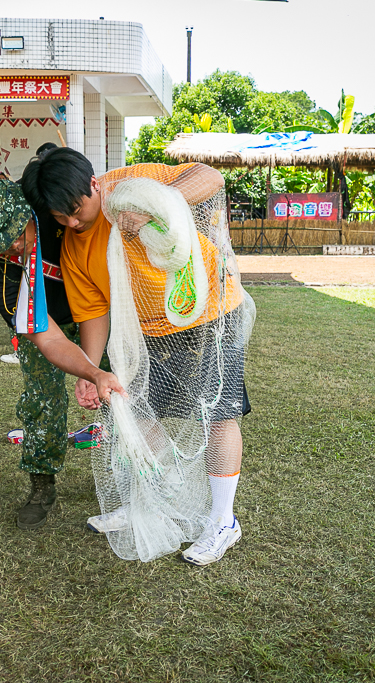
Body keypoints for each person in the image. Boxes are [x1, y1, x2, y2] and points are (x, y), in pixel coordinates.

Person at [20, 148, 251, 565]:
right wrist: (90, 372)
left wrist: (154, 208)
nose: (73, 222)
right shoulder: (73, 245)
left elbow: (209, 176)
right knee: (139, 415)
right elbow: (93, 312)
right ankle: (151, 503)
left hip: (208, 309)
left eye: (76, 209)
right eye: (61, 218)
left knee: (217, 414)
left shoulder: (132, 184)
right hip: (146, 331)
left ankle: (222, 520)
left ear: (94, 184)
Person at [0, 177, 125, 530]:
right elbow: (48, 340)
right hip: (48, 321)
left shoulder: (59, 210)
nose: (14, 246)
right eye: (0, 245)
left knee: (118, 389)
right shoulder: (2, 280)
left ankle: (127, 477)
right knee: (42, 400)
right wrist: (87, 371)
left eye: (15, 233)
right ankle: (41, 486)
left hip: (100, 310)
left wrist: (97, 372)